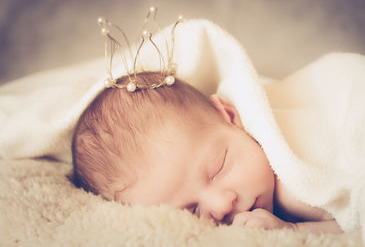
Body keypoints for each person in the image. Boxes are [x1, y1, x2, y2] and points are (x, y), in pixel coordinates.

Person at [72, 71, 342, 234]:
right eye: (191, 210)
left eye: (217, 169)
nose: (222, 206)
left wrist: (295, 231)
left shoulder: (296, 176)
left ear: (229, 115)